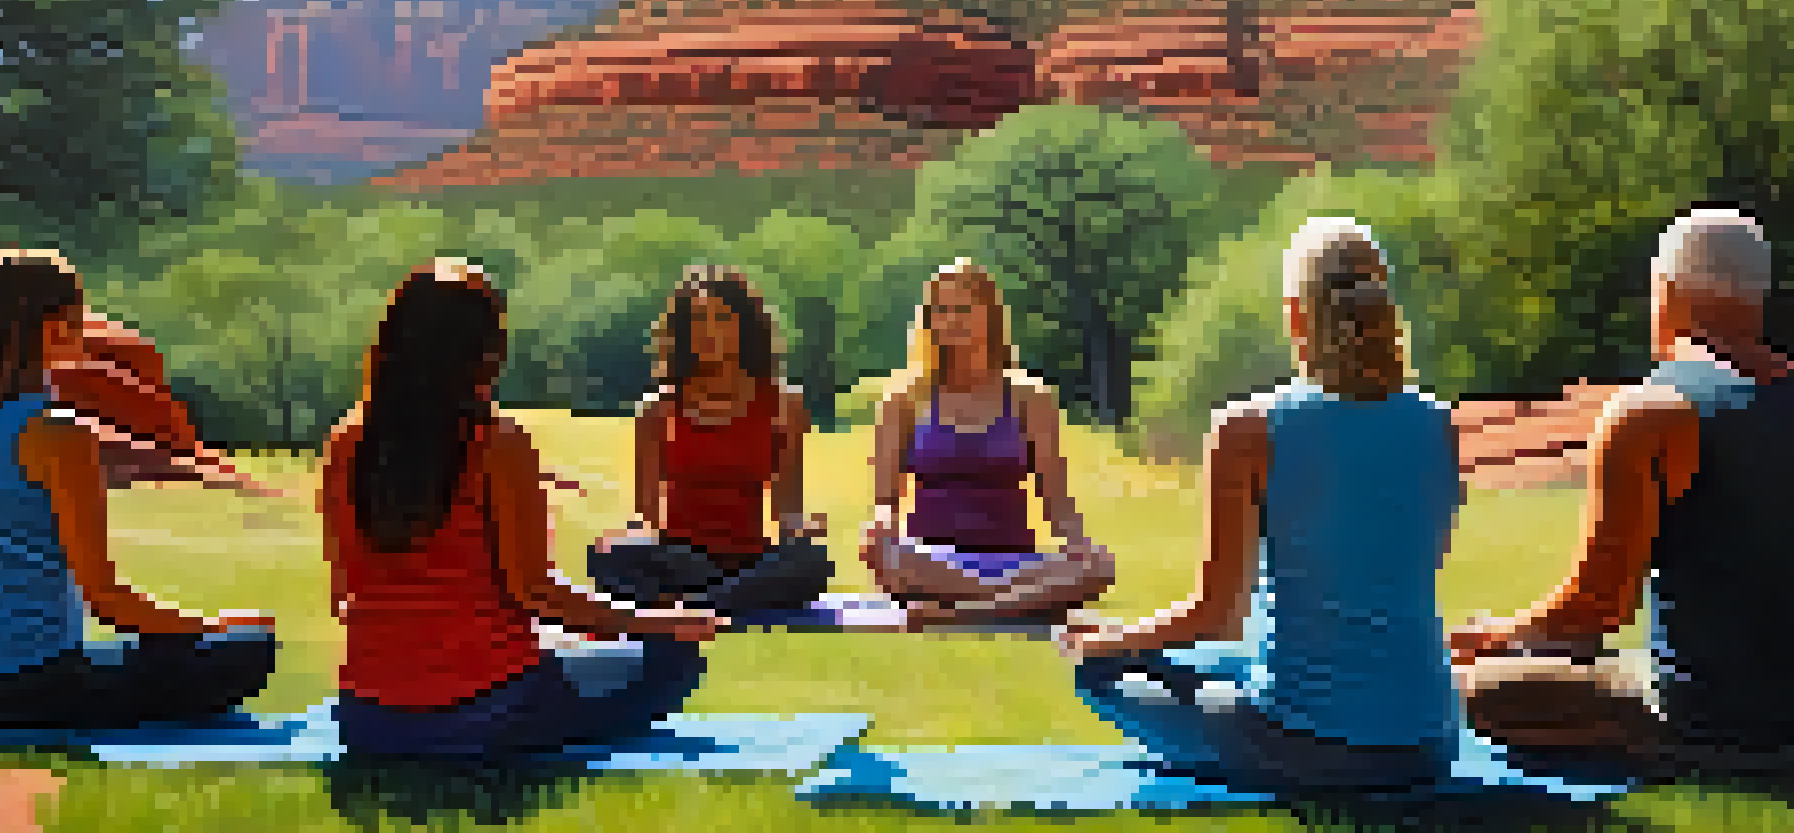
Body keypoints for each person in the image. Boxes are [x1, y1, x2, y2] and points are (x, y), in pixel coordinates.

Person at [1451, 208, 1794, 773]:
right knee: (1576, 657)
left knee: (1463, 685)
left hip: (1714, 726)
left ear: (1666, 290)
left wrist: (1499, 637)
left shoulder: (1649, 408)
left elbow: (1598, 608)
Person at [1058, 218, 1462, 791]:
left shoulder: (1249, 429)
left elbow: (1216, 615)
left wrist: (1109, 639)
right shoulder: (1437, 423)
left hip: (1311, 749)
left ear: (1296, 313)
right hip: (1430, 741)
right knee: (1213, 657)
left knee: (1097, 672)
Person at [321, 259, 722, 757]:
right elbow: (536, 592)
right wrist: (658, 622)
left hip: (369, 719)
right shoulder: (497, 442)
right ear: (483, 352)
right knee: (672, 656)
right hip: (489, 711)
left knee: (581, 652)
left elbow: (345, 591)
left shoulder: (345, 442)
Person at [0, 249, 276, 728]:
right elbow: (106, 599)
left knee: (158, 650)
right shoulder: (57, 432)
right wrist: (213, 625)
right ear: (53, 328)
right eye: (79, 314)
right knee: (249, 647)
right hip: (17, 686)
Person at [863, 259, 1115, 628]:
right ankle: (1016, 604)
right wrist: (880, 529)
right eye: (942, 311)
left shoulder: (1031, 397)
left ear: (990, 317)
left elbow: (1056, 503)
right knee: (884, 553)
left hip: (1012, 562)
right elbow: (885, 501)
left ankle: (966, 612)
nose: (953, 321)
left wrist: (1077, 547)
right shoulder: (904, 398)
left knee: (1098, 566)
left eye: (964, 309)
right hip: (930, 561)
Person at [588, 267, 835, 616]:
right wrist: (630, 536)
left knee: (812, 560)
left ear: (744, 328)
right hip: (680, 562)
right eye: (697, 321)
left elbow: (786, 510)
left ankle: (707, 606)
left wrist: (805, 528)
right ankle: (724, 601)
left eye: (721, 318)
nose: (708, 332)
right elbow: (647, 515)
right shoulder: (658, 409)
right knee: (607, 555)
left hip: (750, 561)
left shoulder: (784, 405)